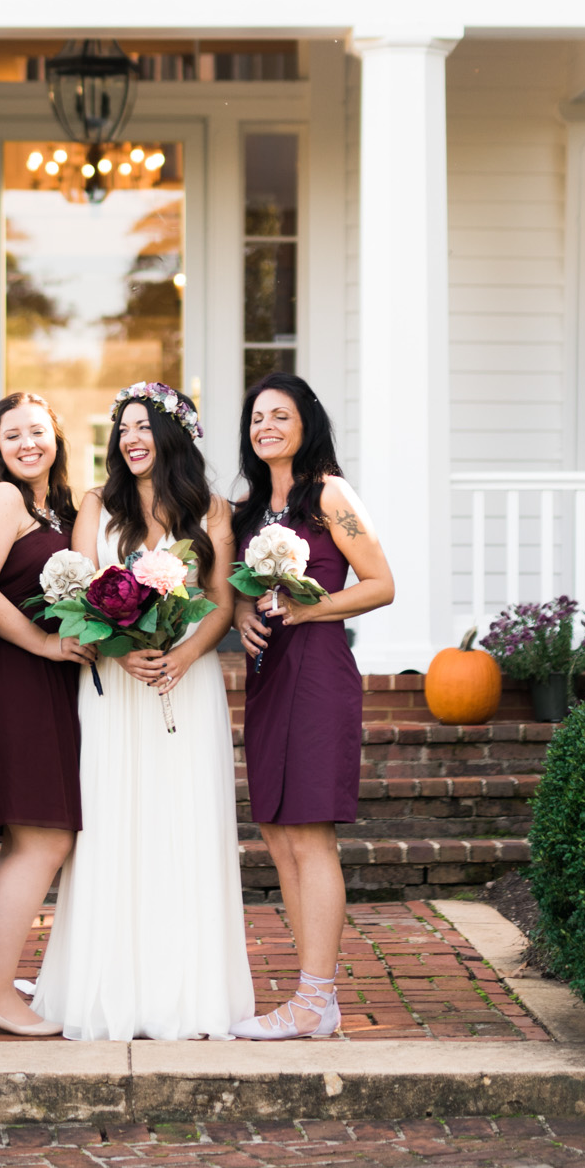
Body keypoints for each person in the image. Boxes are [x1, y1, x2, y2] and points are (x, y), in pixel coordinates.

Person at [33, 381, 255, 1042]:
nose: (130, 438)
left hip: (184, 686)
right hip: (112, 686)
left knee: (183, 827)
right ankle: (105, 988)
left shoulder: (212, 511)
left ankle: (186, 992)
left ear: (173, 436)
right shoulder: (97, 505)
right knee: (111, 825)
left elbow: (217, 601)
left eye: (143, 426)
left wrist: (184, 658)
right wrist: (120, 648)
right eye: (122, 428)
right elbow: (74, 590)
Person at [229, 372, 395, 1041]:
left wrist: (308, 607)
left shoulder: (329, 493)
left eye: (280, 414)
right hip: (267, 676)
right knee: (274, 831)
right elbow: (237, 585)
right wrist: (243, 610)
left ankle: (315, 997)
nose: (266, 425)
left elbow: (382, 583)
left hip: (318, 670)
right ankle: (310, 995)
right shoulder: (246, 511)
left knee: (308, 832)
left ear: (305, 424)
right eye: (256, 417)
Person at [0, 391, 96, 1037]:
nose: (26, 444)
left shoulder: (57, 509)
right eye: (12, 435)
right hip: (11, 676)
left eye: (37, 431)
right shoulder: (3, 500)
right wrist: (41, 641)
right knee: (44, 837)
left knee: (26, 840)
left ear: (56, 439)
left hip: (46, 683)